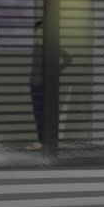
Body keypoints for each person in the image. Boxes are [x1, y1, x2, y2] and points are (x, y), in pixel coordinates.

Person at [28, 19, 73, 152]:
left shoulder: (51, 46)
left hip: (44, 85)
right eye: (36, 31)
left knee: (44, 113)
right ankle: (42, 141)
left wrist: (54, 71)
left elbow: (68, 59)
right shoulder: (35, 46)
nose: (38, 33)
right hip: (34, 83)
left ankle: (45, 142)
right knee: (38, 113)